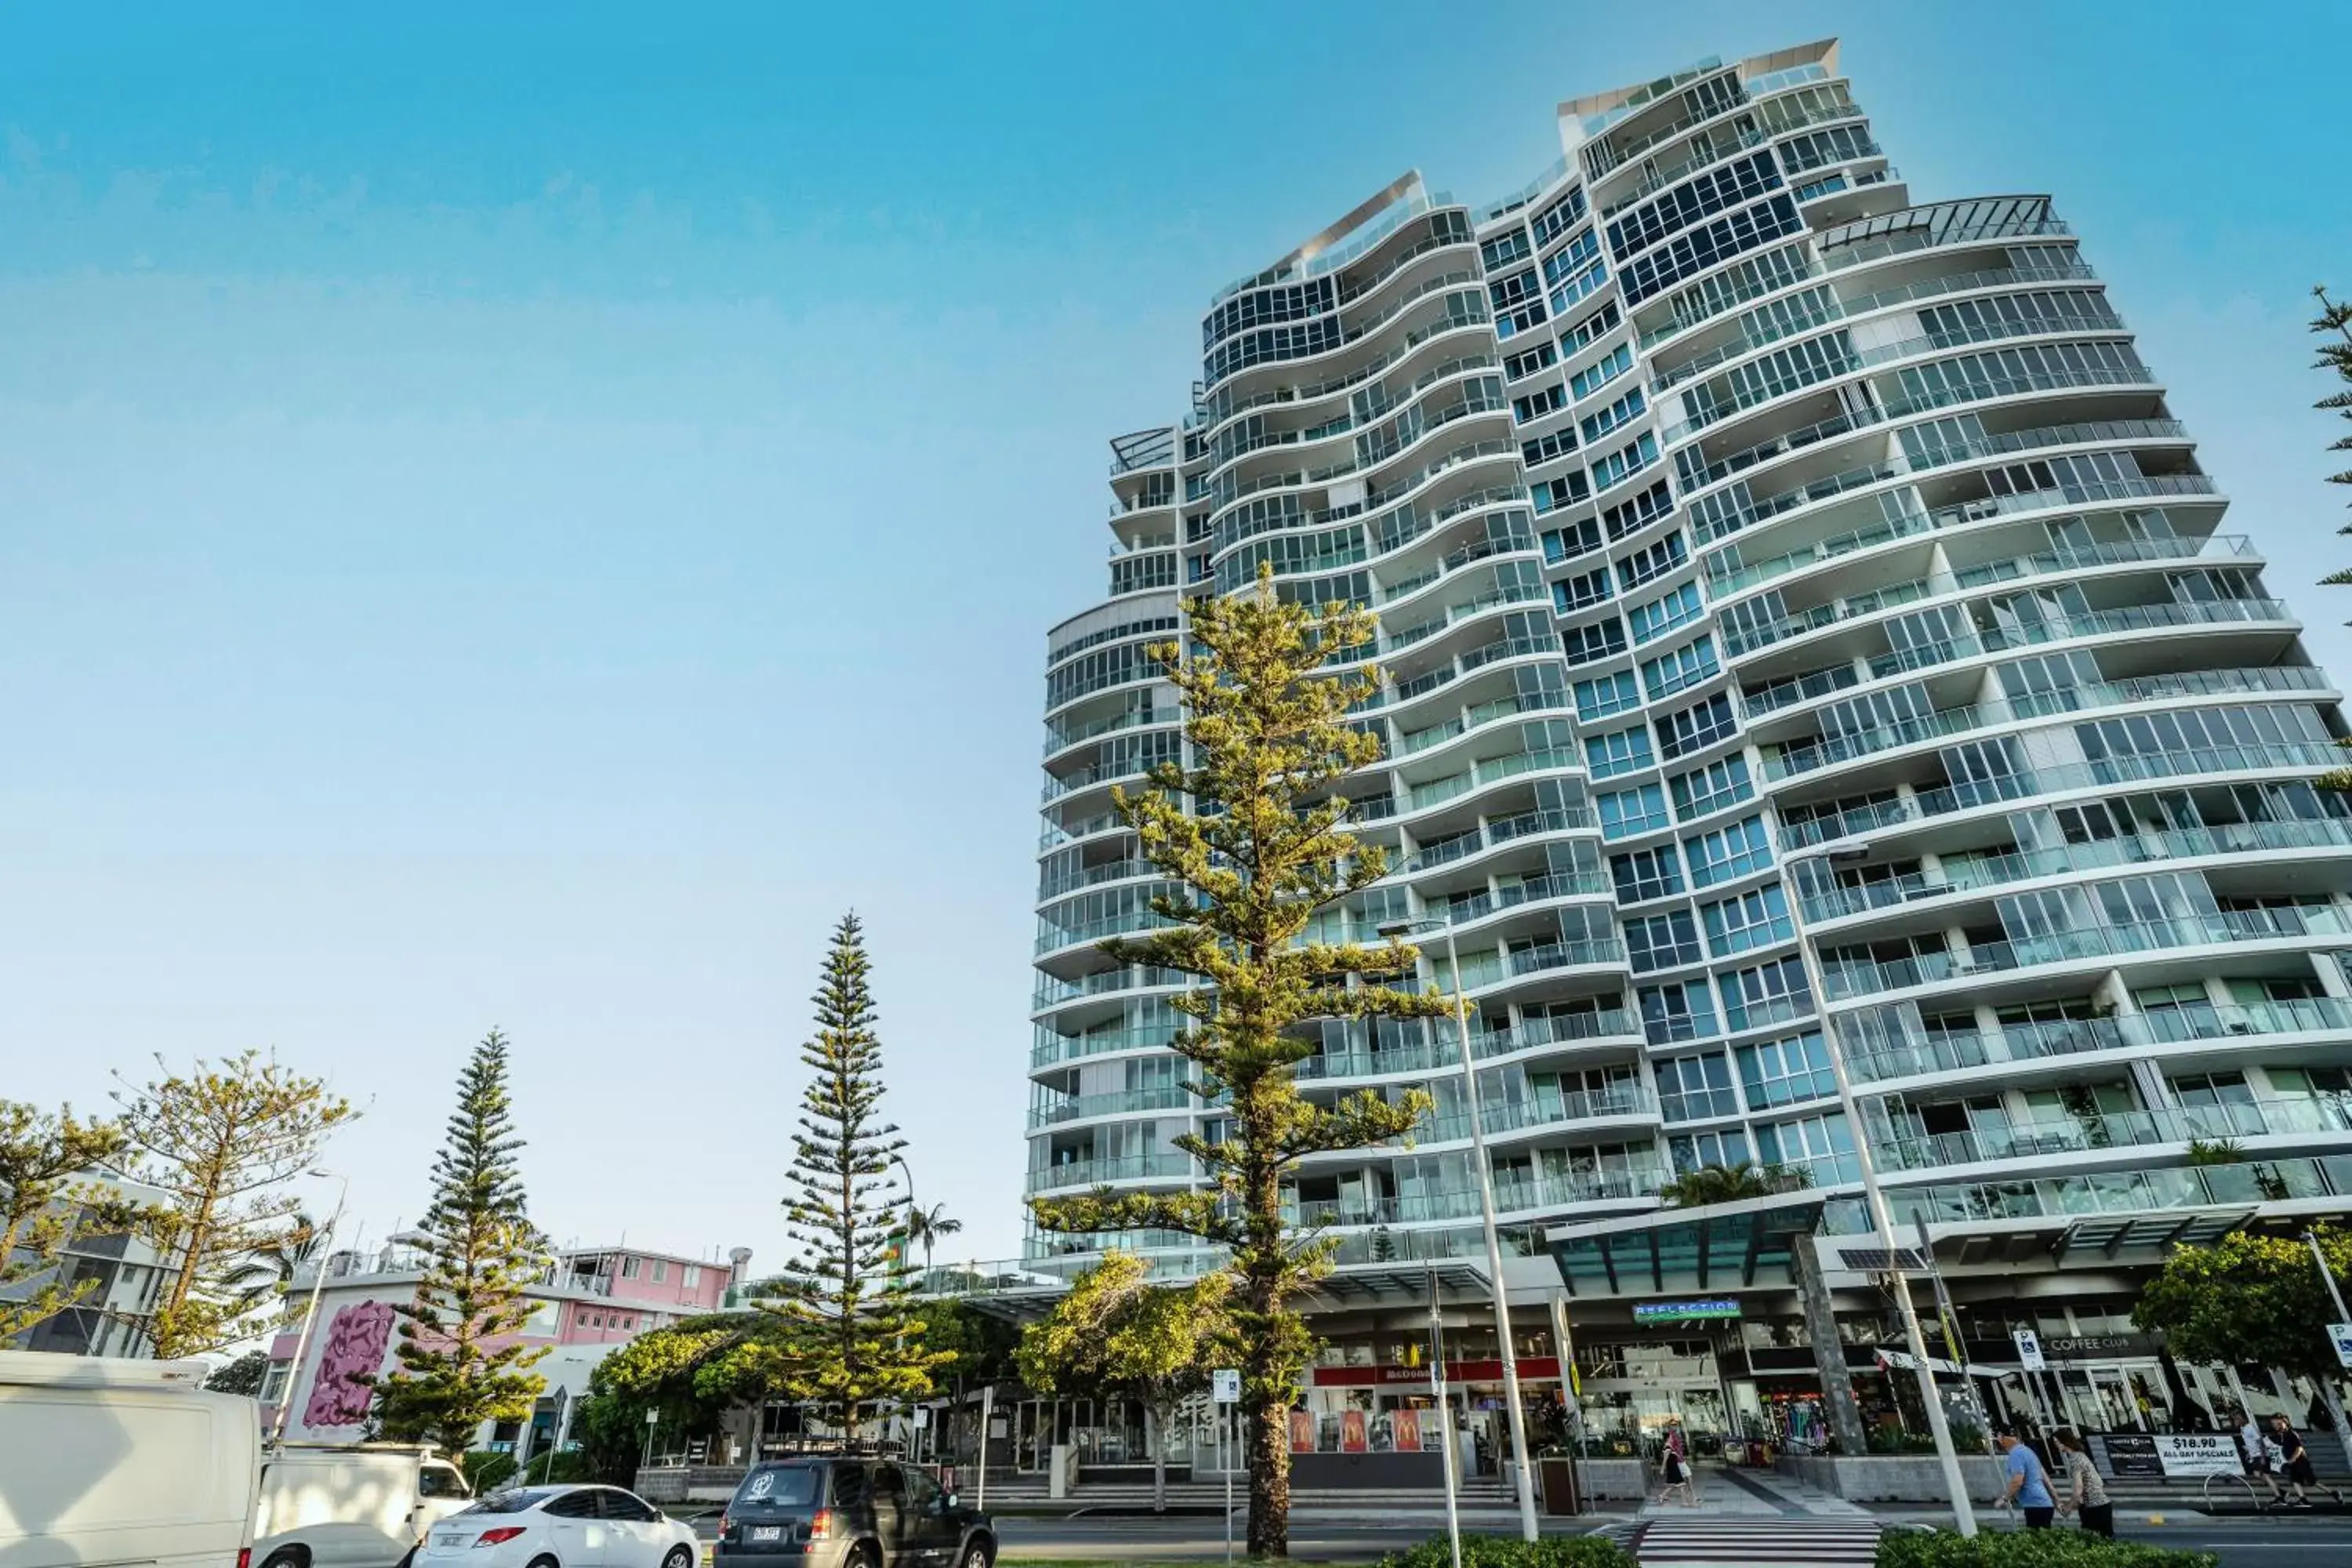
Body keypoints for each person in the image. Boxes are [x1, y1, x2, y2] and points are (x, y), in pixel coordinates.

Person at [2271, 1414, 2347, 1507]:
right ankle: (2303, 1499)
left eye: (2278, 1423)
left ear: (2285, 1423)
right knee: (2295, 1480)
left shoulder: (2292, 1433)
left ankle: (2333, 1493)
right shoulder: (2281, 1436)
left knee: (2312, 1481)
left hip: (2301, 1461)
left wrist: (2292, 1459)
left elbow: (2299, 1448)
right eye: (2274, 1424)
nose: (2276, 1426)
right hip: (2292, 1462)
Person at [2050, 1427, 2113, 1537]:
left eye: (2057, 1442)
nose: (2055, 1445)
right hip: (2099, 1505)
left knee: (2093, 1542)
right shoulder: (2081, 1455)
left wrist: (2067, 1509)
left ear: (2065, 1442)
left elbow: (2078, 1490)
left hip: (2095, 1507)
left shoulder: (2075, 1460)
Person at [1998, 1429, 2056, 1528]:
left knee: (2036, 1540)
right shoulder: (2028, 1451)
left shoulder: (2015, 1454)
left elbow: (2017, 1481)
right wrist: (2055, 1497)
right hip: (2044, 1504)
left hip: (2035, 1505)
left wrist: (2005, 1498)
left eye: (2000, 1438)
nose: (2000, 1441)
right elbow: (2044, 1476)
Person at [2238, 1407, 2287, 1505]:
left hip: (2260, 1455)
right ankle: (2281, 1493)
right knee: (2263, 1476)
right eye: (2235, 1419)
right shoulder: (2243, 1428)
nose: (2236, 1421)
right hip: (2256, 1455)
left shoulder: (2250, 1428)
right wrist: (2249, 1454)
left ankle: (2280, 1496)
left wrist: (2263, 1457)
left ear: (2243, 1418)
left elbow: (2260, 1440)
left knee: (2262, 1475)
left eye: (2238, 1418)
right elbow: (2250, 1443)